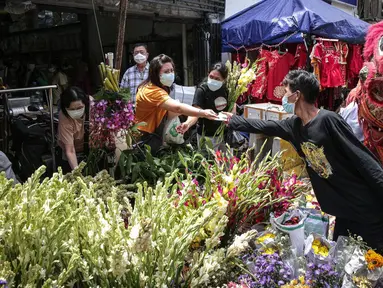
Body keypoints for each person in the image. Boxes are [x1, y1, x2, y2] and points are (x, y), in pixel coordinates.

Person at [224, 70, 383, 252]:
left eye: (286, 92)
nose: (283, 97)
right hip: (343, 209)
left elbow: (362, 158)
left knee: (374, 265)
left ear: (296, 95)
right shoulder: (294, 126)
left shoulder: (328, 120)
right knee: (339, 260)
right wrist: (231, 120)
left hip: (366, 208)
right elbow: (264, 125)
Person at [135, 54, 217, 154]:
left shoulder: (157, 87)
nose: (170, 74)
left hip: (153, 136)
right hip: (145, 138)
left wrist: (187, 123)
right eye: (166, 71)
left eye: (171, 70)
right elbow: (178, 108)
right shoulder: (151, 91)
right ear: (155, 74)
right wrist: (204, 113)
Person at [178, 62, 235, 151]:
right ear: (208, 74)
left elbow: (232, 106)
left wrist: (230, 117)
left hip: (225, 135)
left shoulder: (227, 90)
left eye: (217, 79)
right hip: (207, 136)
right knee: (209, 163)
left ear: (224, 80)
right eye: (211, 77)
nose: (213, 80)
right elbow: (195, 112)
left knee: (227, 163)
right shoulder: (202, 90)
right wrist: (187, 124)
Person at [58, 86, 89, 172]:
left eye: (79, 108)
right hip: (72, 152)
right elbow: (70, 151)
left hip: (90, 151)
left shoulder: (93, 107)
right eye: (72, 109)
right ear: (65, 108)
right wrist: (77, 173)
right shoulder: (64, 117)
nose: (76, 111)